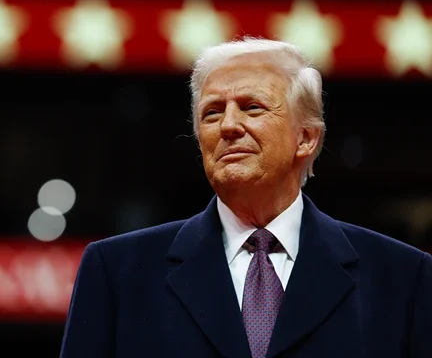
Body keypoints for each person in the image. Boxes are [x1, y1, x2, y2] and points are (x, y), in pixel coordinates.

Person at [60, 37, 432, 357]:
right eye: (212, 112)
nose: (228, 126)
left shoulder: (403, 278)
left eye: (252, 107)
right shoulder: (116, 272)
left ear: (306, 138)